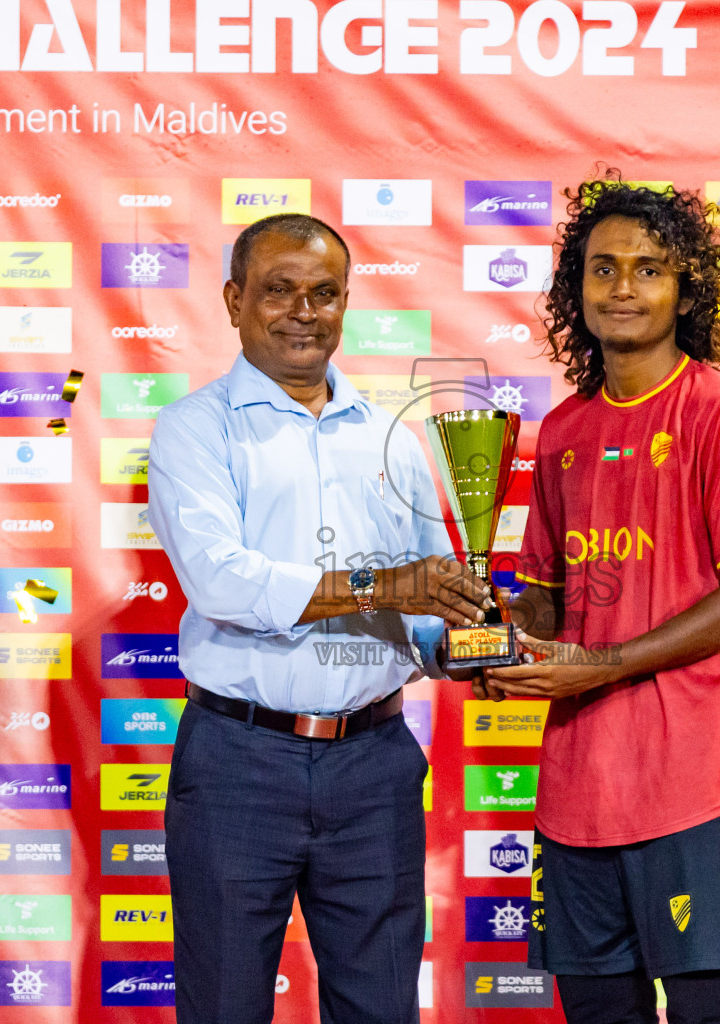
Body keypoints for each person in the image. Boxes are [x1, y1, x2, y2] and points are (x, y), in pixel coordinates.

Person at [146, 212, 494, 1024]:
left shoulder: (391, 438)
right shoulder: (195, 429)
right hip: (239, 760)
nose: (304, 311)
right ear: (234, 301)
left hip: (373, 764)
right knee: (225, 1008)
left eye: (324, 293)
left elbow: (427, 606)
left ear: (345, 305)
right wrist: (385, 586)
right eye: (278, 290)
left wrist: (470, 640)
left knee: (380, 1011)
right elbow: (225, 584)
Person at [483, 175, 720, 1024]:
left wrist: (597, 664)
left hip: (693, 784)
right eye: (602, 268)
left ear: (686, 288)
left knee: (705, 1017)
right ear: (574, 290)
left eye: (648, 269)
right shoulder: (564, 432)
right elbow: (548, 604)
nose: (622, 287)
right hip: (577, 790)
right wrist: (492, 638)